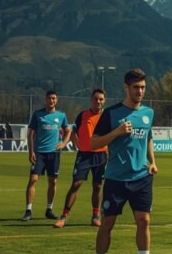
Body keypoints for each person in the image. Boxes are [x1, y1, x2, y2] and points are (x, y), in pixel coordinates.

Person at [89, 69, 161, 254]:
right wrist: (117, 132)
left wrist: (152, 161)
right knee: (107, 223)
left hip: (142, 177)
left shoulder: (148, 112)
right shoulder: (111, 114)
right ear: (126, 88)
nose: (140, 91)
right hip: (116, 179)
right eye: (136, 87)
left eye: (143, 87)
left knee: (144, 221)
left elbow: (148, 137)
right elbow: (93, 143)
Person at [55, 89, 108, 228]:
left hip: (101, 155)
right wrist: (79, 145)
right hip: (84, 155)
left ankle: (95, 216)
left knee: (97, 186)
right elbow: (73, 131)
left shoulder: (107, 116)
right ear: (91, 100)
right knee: (76, 184)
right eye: (96, 99)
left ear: (104, 101)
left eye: (101, 99)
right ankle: (64, 216)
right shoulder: (83, 115)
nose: (98, 101)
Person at [23, 91, 70, 221]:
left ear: (57, 100)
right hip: (39, 153)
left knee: (53, 181)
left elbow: (68, 131)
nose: (51, 100)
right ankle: (28, 210)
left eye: (54, 98)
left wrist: (64, 143)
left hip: (54, 153)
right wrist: (31, 151)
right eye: (49, 98)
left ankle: (49, 209)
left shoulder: (61, 116)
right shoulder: (38, 114)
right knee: (33, 180)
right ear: (46, 99)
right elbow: (30, 134)